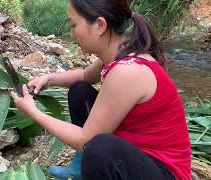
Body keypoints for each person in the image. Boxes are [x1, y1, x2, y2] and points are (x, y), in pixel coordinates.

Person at [10, 0, 191, 179]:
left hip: (164, 171)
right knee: (79, 91)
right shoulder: (119, 53)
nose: (71, 34)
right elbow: (85, 76)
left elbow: (85, 140)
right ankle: (80, 168)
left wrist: (34, 112)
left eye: (73, 25)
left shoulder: (127, 72)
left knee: (98, 150)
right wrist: (49, 79)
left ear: (99, 25)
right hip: (136, 152)